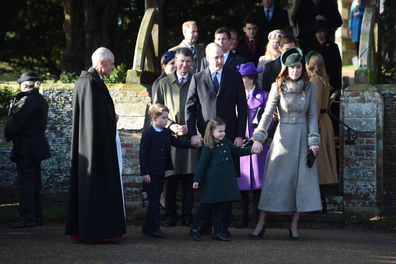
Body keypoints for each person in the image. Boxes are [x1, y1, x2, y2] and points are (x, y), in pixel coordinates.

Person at [248, 47, 322, 240]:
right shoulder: (277, 86)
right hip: (282, 139)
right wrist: (259, 137)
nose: (295, 71)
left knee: (302, 184)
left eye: (298, 67)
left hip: (303, 137)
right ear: (286, 69)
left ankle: (294, 227)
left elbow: (313, 116)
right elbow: (266, 114)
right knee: (273, 181)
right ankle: (261, 225)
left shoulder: (310, 87)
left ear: (302, 68)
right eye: (291, 68)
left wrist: (314, 141)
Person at [185, 42, 247, 237]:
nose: (220, 60)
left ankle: (223, 228)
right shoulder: (197, 78)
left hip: (228, 138)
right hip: (206, 140)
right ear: (207, 58)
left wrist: (239, 135)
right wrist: (193, 133)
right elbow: (190, 108)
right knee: (208, 182)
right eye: (216, 57)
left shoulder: (234, 76)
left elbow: (243, 108)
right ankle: (203, 226)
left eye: (222, 56)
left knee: (227, 184)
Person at [65, 47, 126, 242]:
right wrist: (110, 117)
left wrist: (109, 115)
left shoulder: (92, 82)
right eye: (111, 63)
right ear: (101, 63)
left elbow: (96, 114)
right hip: (94, 148)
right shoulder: (89, 84)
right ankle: (97, 232)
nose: (113, 67)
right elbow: (91, 120)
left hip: (94, 143)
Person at [189, 118, 254, 241]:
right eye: (219, 131)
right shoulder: (208, 146)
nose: (222, 133)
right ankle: (194, 228)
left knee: (220, 208)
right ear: (212, 132)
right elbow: (202, 164)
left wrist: (252, 150)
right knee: (205, 206)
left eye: (223, 131)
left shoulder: (226, 143)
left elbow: (238, 151)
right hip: (212, 183)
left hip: (224, 182)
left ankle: (217, 232)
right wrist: (197, 179)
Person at [154, 48, 198, 228]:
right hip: (169, 137)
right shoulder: (163, 83)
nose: (185, 65)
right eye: (181, 61)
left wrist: (192, 126)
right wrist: (171, 124)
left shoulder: (197, 80)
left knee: (189, 179)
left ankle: (187, 216)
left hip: (189, 136)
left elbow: (201, 107)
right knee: (170, 180)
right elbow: (156, 110)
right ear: (176, 61)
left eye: (188, 61)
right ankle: (170, 216)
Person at [139, 104, 196, 238]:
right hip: (151, 173)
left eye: (167, 118)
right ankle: (154, 227)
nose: (166, 121)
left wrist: (192, 144)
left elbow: (177, 143)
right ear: (154, 118)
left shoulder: (165, 132)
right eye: (164, 118)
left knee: (155, 199)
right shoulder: (148, 134)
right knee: (154, 201)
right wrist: (145, 173)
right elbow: (143, 154)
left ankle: (147, 227)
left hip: (161, 171)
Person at [5, 72, 51, 228]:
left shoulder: (28, 101)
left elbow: (13, 125)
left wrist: (8, 135)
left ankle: (27, 218)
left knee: (27, 183)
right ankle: (36, 217)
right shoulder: (40, 100)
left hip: (26, 146)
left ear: (24, 85)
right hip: (37, 146)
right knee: (34, 182)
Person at [234, 62, 273, 229]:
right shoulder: (235, 96)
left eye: (242, 77)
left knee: (258, 185)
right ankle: (243, 218)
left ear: (251, 78)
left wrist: (260, 135)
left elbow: (269, 119)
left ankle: (257, 220)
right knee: (242, 185)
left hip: (258, 144)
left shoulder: (264, 96)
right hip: (242, 143)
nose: (240, 79)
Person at [306, 51, 338, 213]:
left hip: (319, 123)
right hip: (323, 121)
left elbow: (315, 107)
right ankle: (319, 203)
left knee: (320, 164)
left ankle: (320, 204)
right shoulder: (319, 79)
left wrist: (309, 126)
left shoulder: (315, 81)